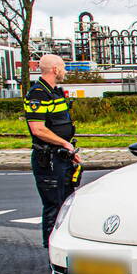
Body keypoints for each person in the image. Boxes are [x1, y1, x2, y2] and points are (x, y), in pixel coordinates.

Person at [24, 54, 81, 248]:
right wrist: (65, 145)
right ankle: (51, 251)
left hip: (62, 158)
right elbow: (38, 129)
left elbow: (58, 126)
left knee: (65, 205)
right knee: (54, 206)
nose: (65, 71)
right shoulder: (38, 94)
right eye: (63, 67)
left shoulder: (55, 92)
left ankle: (63, 247)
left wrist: (70, 151)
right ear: (55, 69)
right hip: (48, 160)